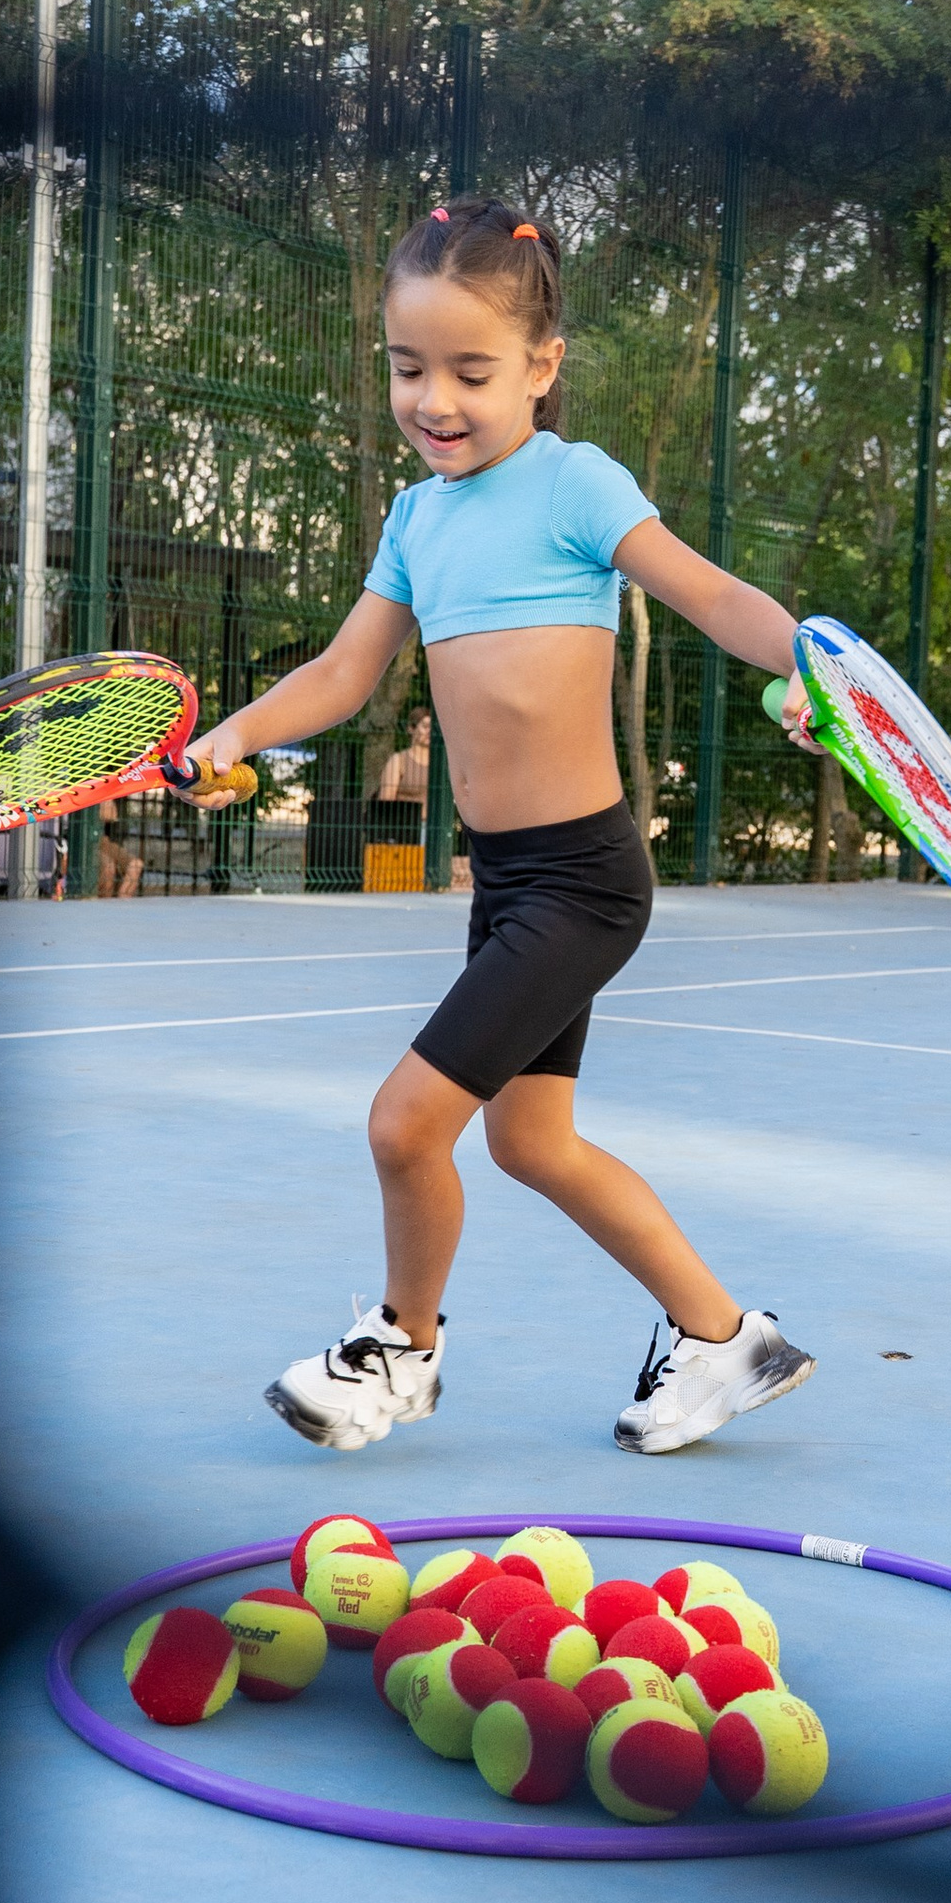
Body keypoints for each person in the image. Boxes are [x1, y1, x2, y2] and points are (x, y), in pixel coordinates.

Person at [182, 197, 817, 1456]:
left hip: (584, 880)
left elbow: (711, 593)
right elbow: (344, 672)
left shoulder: (573, 483)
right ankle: (724, 1340)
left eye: (472, 371)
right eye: (409, 369)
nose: (436, 399)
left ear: (542, 366)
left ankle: (400, 1353)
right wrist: (237, 736)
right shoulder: (418, 519)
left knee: (403, 1122)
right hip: (509, 881)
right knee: (532, 1142)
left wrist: (811, 667)